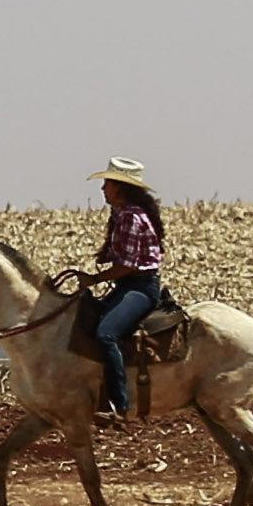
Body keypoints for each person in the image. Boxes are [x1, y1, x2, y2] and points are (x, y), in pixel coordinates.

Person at [84, 157, 169, 420]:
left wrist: (95, 279)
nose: (103, 189)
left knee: (106, 334)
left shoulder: (132, 217)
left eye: (107, 183)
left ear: (120, 187)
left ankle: (120, 406)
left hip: (140, 287)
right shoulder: (121, 215)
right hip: (128, 284)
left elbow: (129, 265)